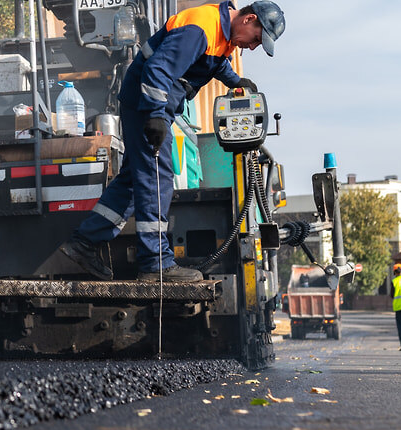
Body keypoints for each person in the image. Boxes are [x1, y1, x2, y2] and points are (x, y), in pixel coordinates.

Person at [59, 1, 285, 282]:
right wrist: (154, 116)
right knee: (157, 178)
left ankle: (85, 242)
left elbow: (211, 60)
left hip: (148, 104)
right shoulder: (199, 28)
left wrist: (235, 80)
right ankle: (156, 265)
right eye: (256, 39)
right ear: (249, 19)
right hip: (148, 104)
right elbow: (158, 70)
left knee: (134, 180)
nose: (252, 47)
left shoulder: (219, 31)